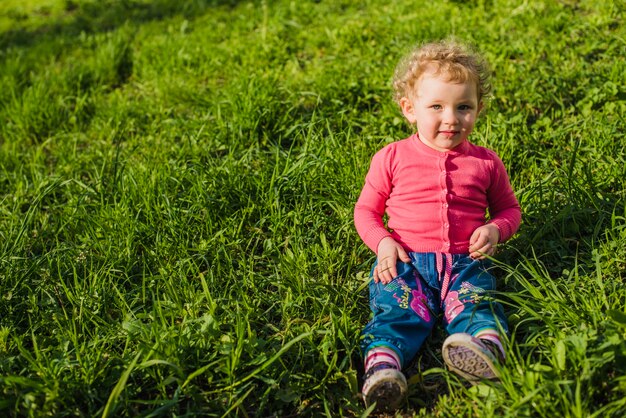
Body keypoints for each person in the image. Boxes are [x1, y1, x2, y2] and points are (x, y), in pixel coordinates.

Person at [354, 40, 521, 411]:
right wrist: (382, 243)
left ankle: (484, 349)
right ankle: (383, 368)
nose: (451, 118)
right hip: (405, 262)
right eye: (436, 107)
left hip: (465, 262)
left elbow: (509, 209)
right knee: (397, 310)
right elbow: (365, 211)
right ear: (409, 109)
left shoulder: (486, 163)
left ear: (479, 108)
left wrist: (496, 230)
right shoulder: (392, 157)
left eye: (464, 107)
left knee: (477, 303)